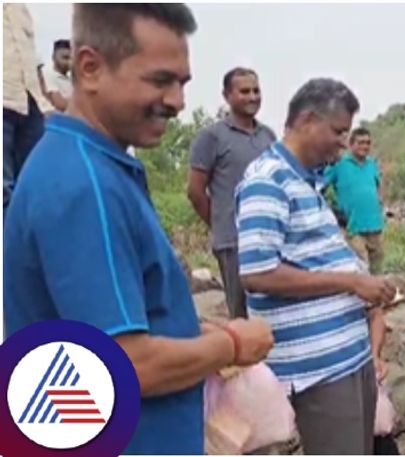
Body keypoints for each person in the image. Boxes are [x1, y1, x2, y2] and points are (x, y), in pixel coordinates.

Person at [3, 5, 274, 455]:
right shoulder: (83, 183)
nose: (177, 101)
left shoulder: (91, 165)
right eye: (159, 80)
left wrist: (192, 333)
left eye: (183, 83)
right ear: (89, 68)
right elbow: (123, 365)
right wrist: (231, 342)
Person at [236, 77, 397, 455]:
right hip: (318, 372)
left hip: (350, 356)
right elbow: (257, 274)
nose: (343, 142)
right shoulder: (268, 179)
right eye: (338, 131)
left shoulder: (307, 180)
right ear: (308, 119)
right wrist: (351, 283)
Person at [188, 67, 276, 318]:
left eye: (256, 90)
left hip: (269, 238)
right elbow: (195, 191)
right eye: (244, 91)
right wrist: (220, 224)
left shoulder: (268, 136)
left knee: (271, 313)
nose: (252, 97)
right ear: (227, 95)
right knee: (241, 315)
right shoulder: (212, 137)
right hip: (233, 241)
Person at [3, 4, 53, 218]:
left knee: (35, 184)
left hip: (30, 102)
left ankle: (28, 245)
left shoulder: (20, 9)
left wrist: (45, 104)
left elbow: (35, 61)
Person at [324, 127, 386, 273]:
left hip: (376, 225)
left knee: (378, 271)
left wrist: (381, 205)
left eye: (368, 143)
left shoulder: (372, 165)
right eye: (361, 142)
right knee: (361, 268)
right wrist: (332, 210)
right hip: (353, 227)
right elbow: (319, 185)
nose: (365, 146)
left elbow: (378, 187)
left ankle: (376, 296)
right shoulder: (339, 165)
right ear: (351, 144)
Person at [42, 39, 74, 112]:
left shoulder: (71, 79)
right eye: (65, 58)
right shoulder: (49, 75)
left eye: (71, 59)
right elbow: (60, 104)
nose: (69, 62)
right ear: (53, 57)